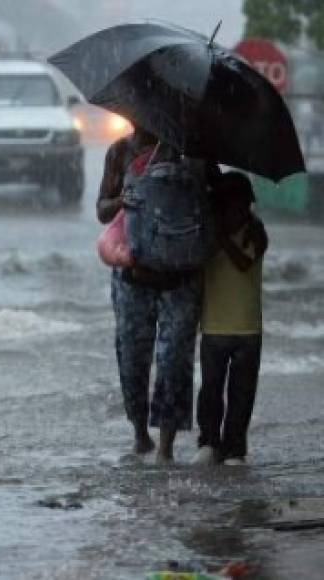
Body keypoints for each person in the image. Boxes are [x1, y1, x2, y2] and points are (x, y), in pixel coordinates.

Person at [98, 127, 210, 463]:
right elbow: (102, 210)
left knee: (175, 362)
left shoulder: (194, 154)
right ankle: (140, 436)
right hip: (133, 277)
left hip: (181, 278)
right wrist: (123, 199)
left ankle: (166, 447)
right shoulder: (120, 151)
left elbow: (213, 203)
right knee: (132, 359)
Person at [192, 173, 267, 467]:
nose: (233, 212)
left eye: (238, 206)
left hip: (248, 327)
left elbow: (243, 262)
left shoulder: (257, 233)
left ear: (247, 205)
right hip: (213, 326)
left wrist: (221, 237)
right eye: (227, 206)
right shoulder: (208, 235)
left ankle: (235, 448)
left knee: (241, 394)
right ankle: (209, 442)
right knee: (210, 391)